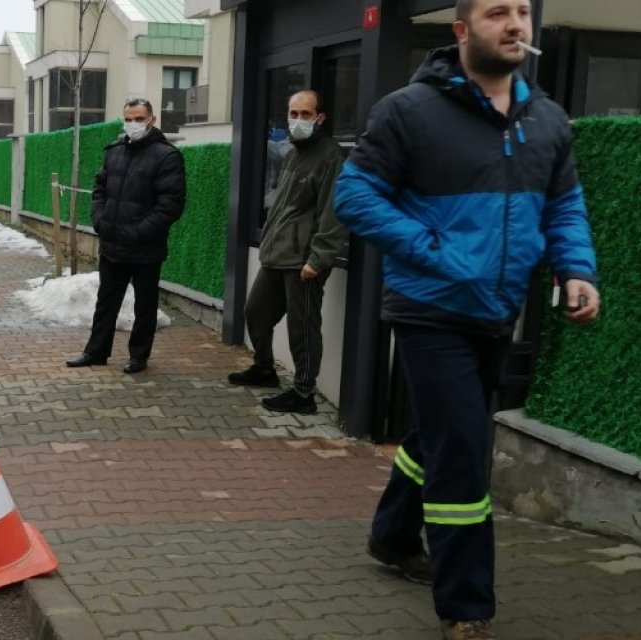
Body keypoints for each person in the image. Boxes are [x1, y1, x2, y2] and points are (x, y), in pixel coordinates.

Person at [334, 1, 599, 638]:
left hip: (496, 308)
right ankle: (467, 605)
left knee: (441, 432)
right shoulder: (408, 110)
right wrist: (431, 248)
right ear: (462, 31)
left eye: (521, 14)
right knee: (463, 451)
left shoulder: (548, 120)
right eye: (495, 13)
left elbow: (564, 209)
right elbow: (355, 194)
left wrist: (577, 271)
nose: (514, 24)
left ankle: (393, 534)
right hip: (430, 308)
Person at [227, 90, 347, 415]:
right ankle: (265, 369)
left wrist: (318, 258)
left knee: (302, 326)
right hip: (277, 255)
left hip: (304, 261)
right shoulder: (294, 154)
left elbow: (333, 213)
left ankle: (304, 394)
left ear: (319, 117)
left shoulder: (330, 156)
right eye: (293, 113)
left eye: (304, 114)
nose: (297, 121)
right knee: (256, 310)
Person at [65, 98, 186, 375]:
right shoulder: (115, 151)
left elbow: (170, 206)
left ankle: (138, 357)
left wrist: (138, 232)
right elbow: (99, 189)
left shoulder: (166, 156)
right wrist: (99, 220)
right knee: (106, 301)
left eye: (139, 119)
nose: (133, 124)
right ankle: (95, 352)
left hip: (146, 248)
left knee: (145, 306)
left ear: (151, 120)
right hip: (112, 244)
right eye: (128, 119)